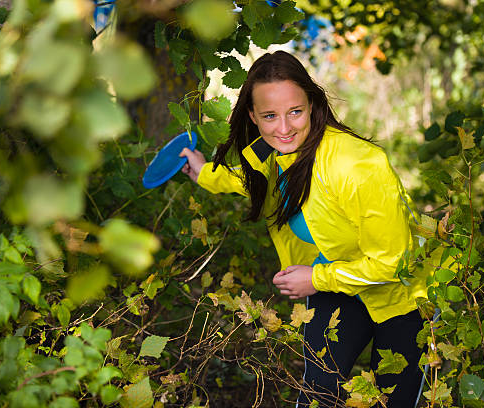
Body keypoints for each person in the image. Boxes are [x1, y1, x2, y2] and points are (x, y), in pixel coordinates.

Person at [179, 51, 429, 407]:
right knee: (317, 396)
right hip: (336, 281)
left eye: (295, 111)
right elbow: (249, 179)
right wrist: (203, 172)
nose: (284, 128)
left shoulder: (358, 165)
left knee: (393, 402)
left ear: (312, 104)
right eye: (270, 116)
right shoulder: (271, 147)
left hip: (398, 296)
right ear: (254, 116)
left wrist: (316, 279)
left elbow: (392, 263)